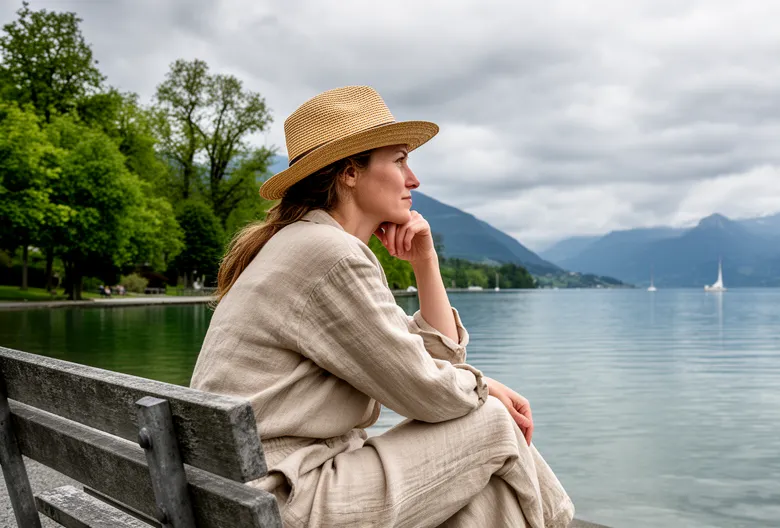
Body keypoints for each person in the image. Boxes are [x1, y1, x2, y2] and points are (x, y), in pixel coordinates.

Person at [190, 86, 574, 528]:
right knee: (491, 423)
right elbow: (428, 395)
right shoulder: (328, 255)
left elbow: (432, 363)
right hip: (284, 502)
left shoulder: (300, 244)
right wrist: (484, 388)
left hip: (241, 496)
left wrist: (425, 263)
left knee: (477, 481)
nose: (414, 179)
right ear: (351, 172)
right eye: (399, 160)